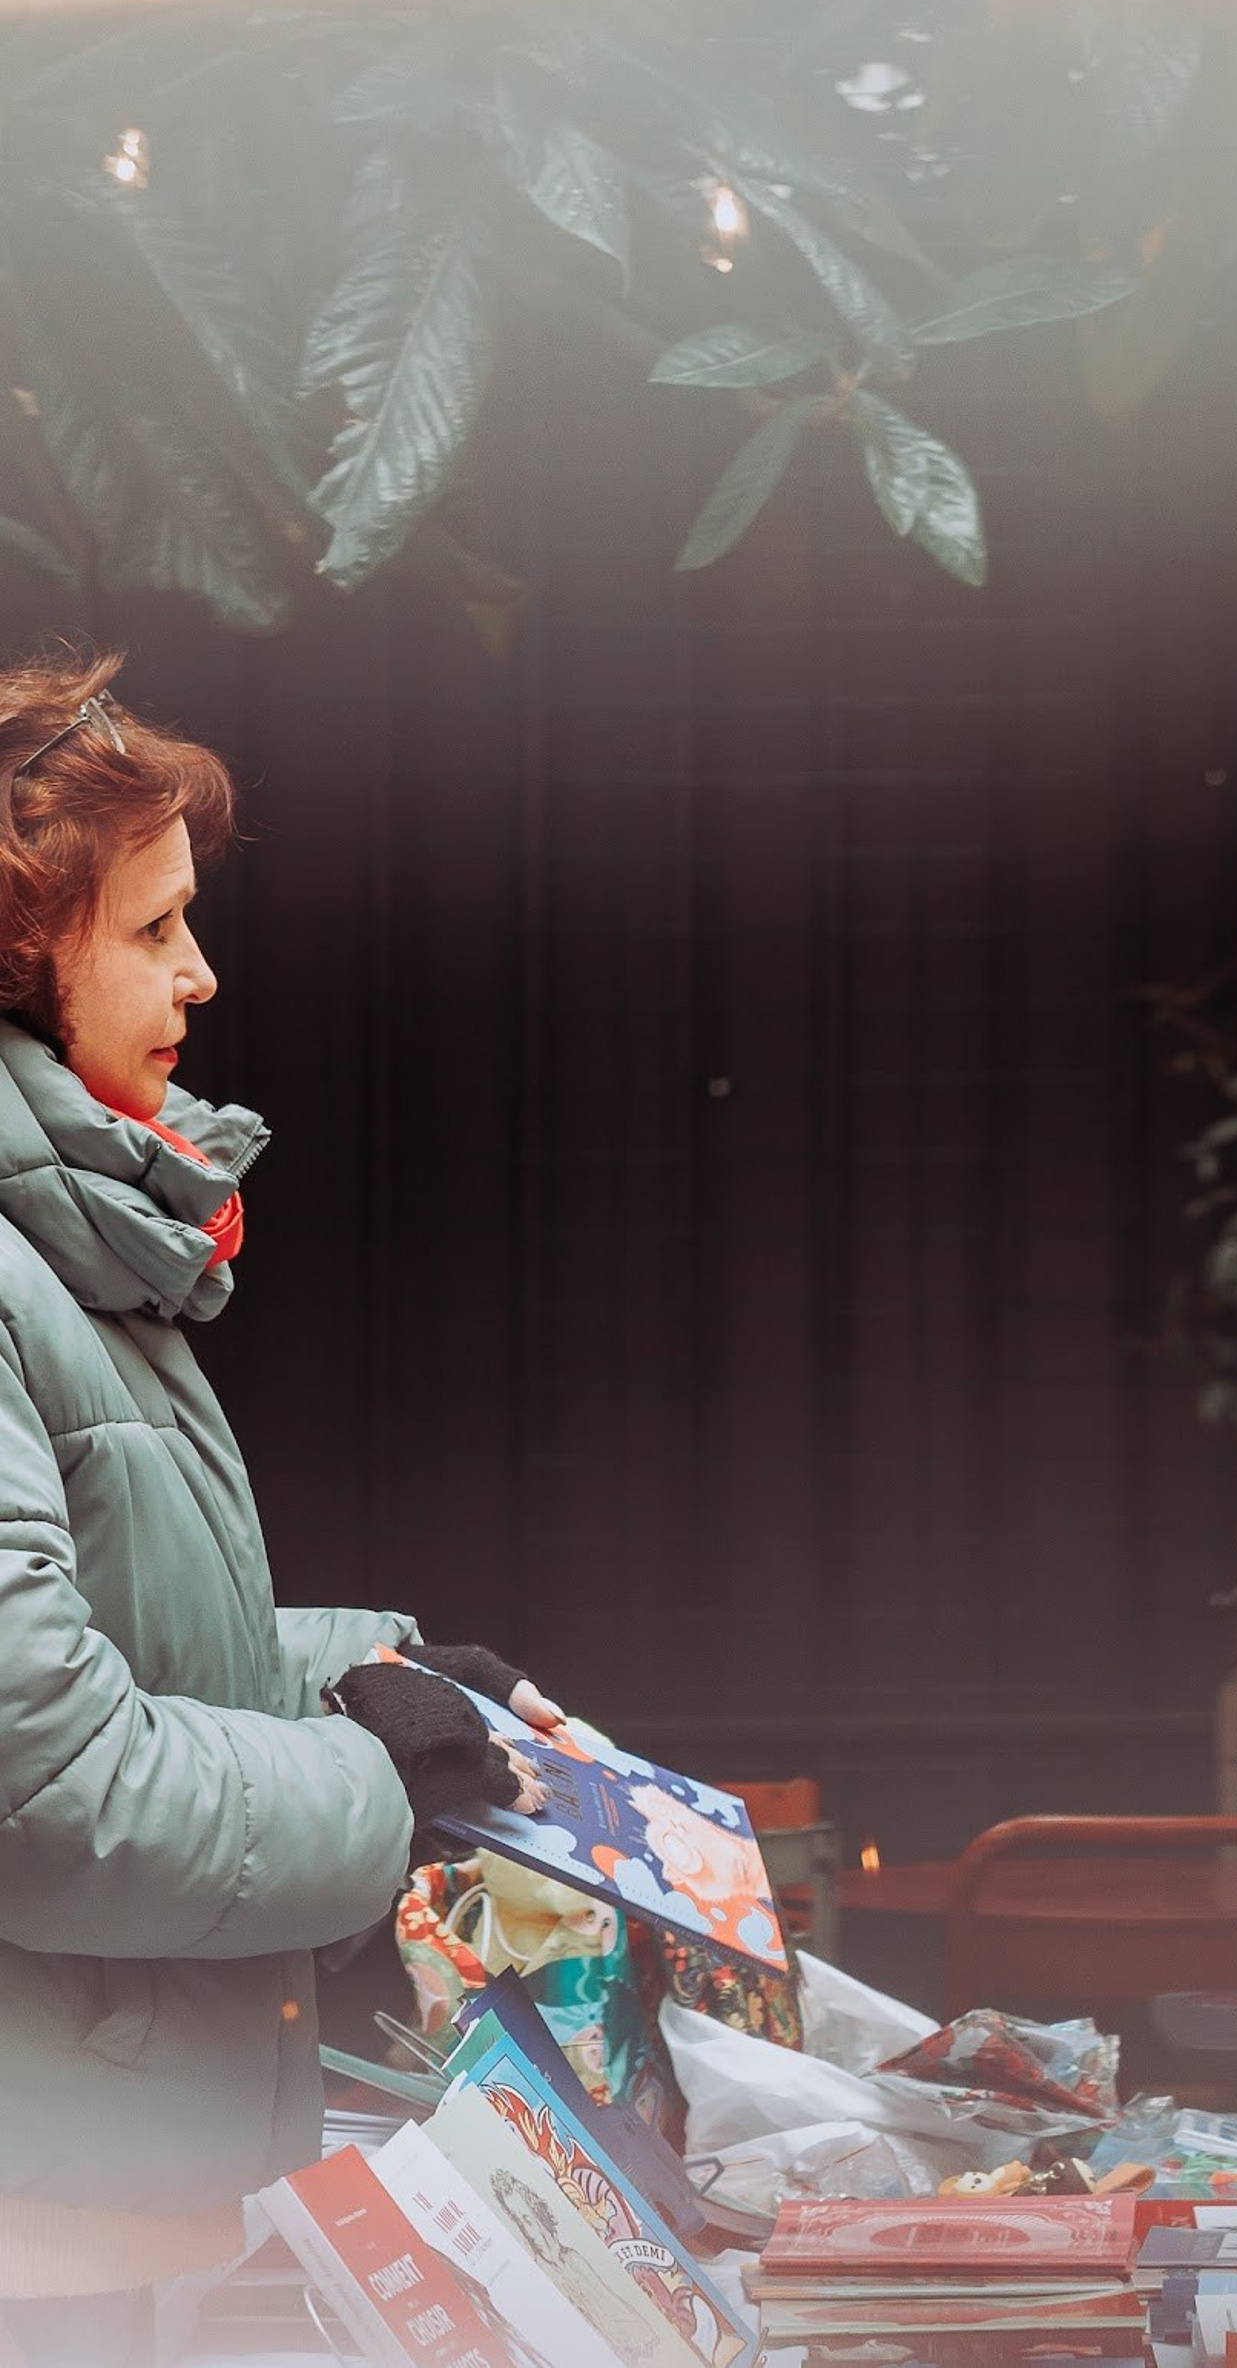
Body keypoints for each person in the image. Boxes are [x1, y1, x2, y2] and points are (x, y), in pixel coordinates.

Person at [0, 661, 560, 2368]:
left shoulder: (65, 1254)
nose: (201, 972)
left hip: (82, 2198)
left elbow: (111, 1647)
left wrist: (384, 1673)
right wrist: (382, 1777)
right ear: (18, 959)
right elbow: (49, 1790)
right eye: (153, 927)